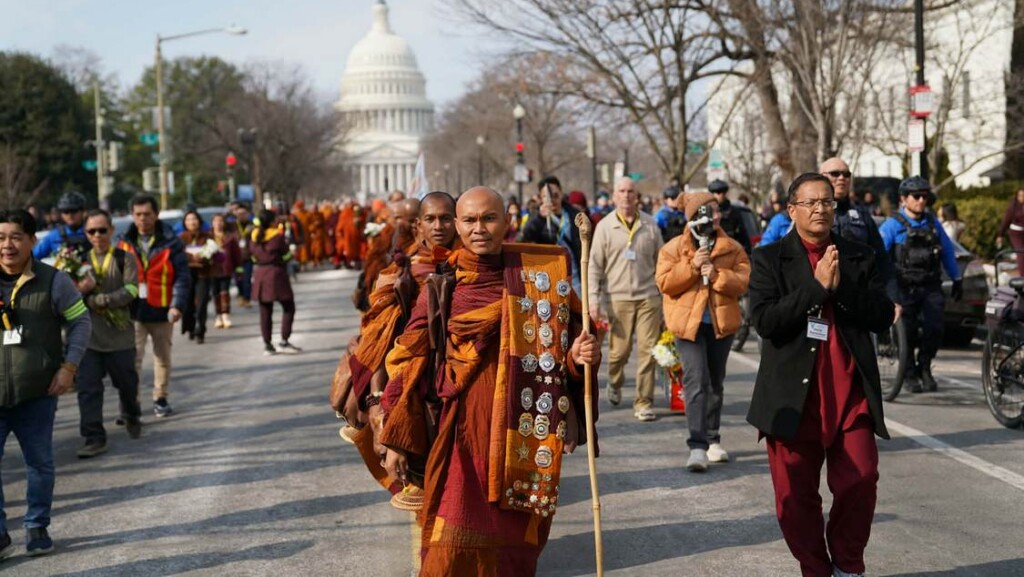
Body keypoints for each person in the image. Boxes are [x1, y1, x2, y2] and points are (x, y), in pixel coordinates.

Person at [380, 187, 599, 576]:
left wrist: (578, 359)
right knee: (449, 540)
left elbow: (561, 348)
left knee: (514, 541)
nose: (479, 228)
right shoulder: (442, 286)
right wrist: (394, 434)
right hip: (461, 430)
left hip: (524, 427)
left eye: (489, 218)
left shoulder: (539, 280)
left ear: (506, 221)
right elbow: (408, 360)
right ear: (458, 226)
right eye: (469, 220)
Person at [747, 173, 895, 577]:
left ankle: (848, 566)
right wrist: (815, 289)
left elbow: (882, 315)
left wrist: (840, 287)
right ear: (791, 209)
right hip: (792, 399)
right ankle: (816, 569)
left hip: (850, 392)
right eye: (811, 202)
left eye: (827, 202)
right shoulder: (768, 258)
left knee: (861, 479)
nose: (821, 209)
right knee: (794, 498)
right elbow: (764, 321)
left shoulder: (858, 255)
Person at [345, 193, 457, 504]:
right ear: (420, 226)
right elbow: (383, 332)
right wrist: (379, 398)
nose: (438, 226)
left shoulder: (472, 264)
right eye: (429, 220)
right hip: (413, 367)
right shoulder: (405, 268)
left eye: (446, 219)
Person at [0, 209, 91, 558]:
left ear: (32, 241)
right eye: (1, 237)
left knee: (39, 463)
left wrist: (69, 366)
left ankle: (37, 525)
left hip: (37, 391)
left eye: (16, 237)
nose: (7, 245)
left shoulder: (54, 281)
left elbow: (81, 322)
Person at [656, 192, 750, 471]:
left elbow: (744, 282)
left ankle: (713, 439)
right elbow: (664, 283)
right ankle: (697, 446)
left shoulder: (732, 248)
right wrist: (692, 266)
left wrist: (718, 275)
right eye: (708, 211)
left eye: (716, 210)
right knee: (696, 382)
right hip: (688, 326)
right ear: (694, 216)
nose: (714, 216)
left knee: (715, 383)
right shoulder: (674, 248)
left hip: (721, 324)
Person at [589, 176, 665, 421]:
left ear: (637, 195)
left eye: (630, 191)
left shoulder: (651, 225)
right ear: (614, 196)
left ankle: (643, 402)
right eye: (621, 191)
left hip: (648, 298)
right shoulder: (604, 227)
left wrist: (665, 298)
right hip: (617, 298)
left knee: (648, 351)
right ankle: (614, 379)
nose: (626, 195)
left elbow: (662, 264)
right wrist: (593, 300)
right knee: (619, 352)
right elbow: (594, 267)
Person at [879, 176, 963, 393]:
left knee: (934, 328)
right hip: (903, 287)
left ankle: (924, 367)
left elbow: (948, 253)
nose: (921, 201)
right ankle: (908, 373)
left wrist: (956, 278)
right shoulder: (892, 226)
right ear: (904, 199)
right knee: (906, 331)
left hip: (930, 285)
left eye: (925, 196)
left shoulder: (933, 224)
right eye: (916, 196)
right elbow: (880, 257)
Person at [75, 209, 142, 458]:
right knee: (88, 388)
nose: (97, 235)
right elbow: (67, 294)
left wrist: (104, 299)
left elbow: (133, 289)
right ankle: (93, 437)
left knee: (127, 384)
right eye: (92, 231)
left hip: (120, 335)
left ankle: (131, 413)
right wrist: (82, 292)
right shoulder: (78, 261)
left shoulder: (124, 258)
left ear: (112, 231)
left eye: (102, 230)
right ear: (86, 234)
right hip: (88, 338)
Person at [118, 194, 189, 418]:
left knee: (162, 357)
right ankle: (131, 404)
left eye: (147, 214)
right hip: (132, 312)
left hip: (163, 310)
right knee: (132, 361)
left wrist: (177, 305)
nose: (142, 219)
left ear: (156, 215)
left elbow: (182, 277)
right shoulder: (123, 242)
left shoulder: (172, 241)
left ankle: (160, 398)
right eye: (138, 214)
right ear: (132, 215)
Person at [820, 157, 896, 300]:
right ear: (821, 177)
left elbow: (881, 258)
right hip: (822, 296)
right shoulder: (808, 213)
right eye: (835, 173)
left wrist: (893, 298)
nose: (842, 178)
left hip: (858, 297)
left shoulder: (862, 215)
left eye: (846, 174)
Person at [521, 176, 585, 294]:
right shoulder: (535, 217)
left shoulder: (574, 214)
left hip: (574, 275)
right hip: (548, 276)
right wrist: (540, 218)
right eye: (547, 197)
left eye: (555, 195)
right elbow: (524, 238)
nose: (552, 200)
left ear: (561, 193)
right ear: (541, 198)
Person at [250, 210, 301, 356]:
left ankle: (267, 345)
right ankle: (284, 340)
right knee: (288, 307)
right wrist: (291, 254)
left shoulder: (253, 236)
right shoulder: (277, 237)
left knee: (265, 312)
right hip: (276, 275)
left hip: (260, 275)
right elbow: (286, 255)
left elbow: (251, 257)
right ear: (272, 221)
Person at [179, 210, 213, 344]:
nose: (192, 222)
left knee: (202, 304)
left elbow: (214, 254)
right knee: (187, 304)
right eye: (188, 220)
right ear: (185, 223)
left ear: (199, 221)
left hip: (203, 274)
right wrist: (190, 258)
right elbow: (177, 255)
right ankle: (190, 327)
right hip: (186, 274)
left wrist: (202, 258)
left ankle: (201, 330)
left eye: (194, 219)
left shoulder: (207, 237)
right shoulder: (180, 238)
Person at [32, 191, 89, 260]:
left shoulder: (93, 232)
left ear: (82, 211)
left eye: (74, 210)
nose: (70, 215)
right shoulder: (54, 235)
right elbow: (32, 258)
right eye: (66, 211)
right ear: (61, 214)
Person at [209, 213, 242, 329]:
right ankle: (218, 316)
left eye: (220, 221)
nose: (218, 224)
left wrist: (238, 268)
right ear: (212, 223)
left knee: (225, 292)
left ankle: (225, 315)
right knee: (215, 293)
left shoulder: (230, 237)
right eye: (216, 221)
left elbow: (236, 254)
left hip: (226, 269)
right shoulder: (208, 237)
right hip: (212, 270)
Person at [710, 179, 753, 254]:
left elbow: (742, 234)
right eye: (716, 192)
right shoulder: (706, 210)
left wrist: (746, 250)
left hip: (730, 251)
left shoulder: (734, 211)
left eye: (721, 192)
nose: (719, 195)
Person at [231, 203, 255, 308]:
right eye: (239, 213)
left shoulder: (252, 225)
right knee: (238, 279)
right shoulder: (232, 226)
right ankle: (241, 295)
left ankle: (247, 298)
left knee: (247, 278)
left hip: (248, 256)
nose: (241, 215)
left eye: (244, 213)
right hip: (236, 258)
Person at [998, 188, 1024, 276]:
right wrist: (1000, 235)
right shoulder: (1013, 207)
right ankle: (1022, 276)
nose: (1022, 198)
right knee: (1021, 253)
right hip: (1016, 233)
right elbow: (1006, 221)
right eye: (1020, 196)